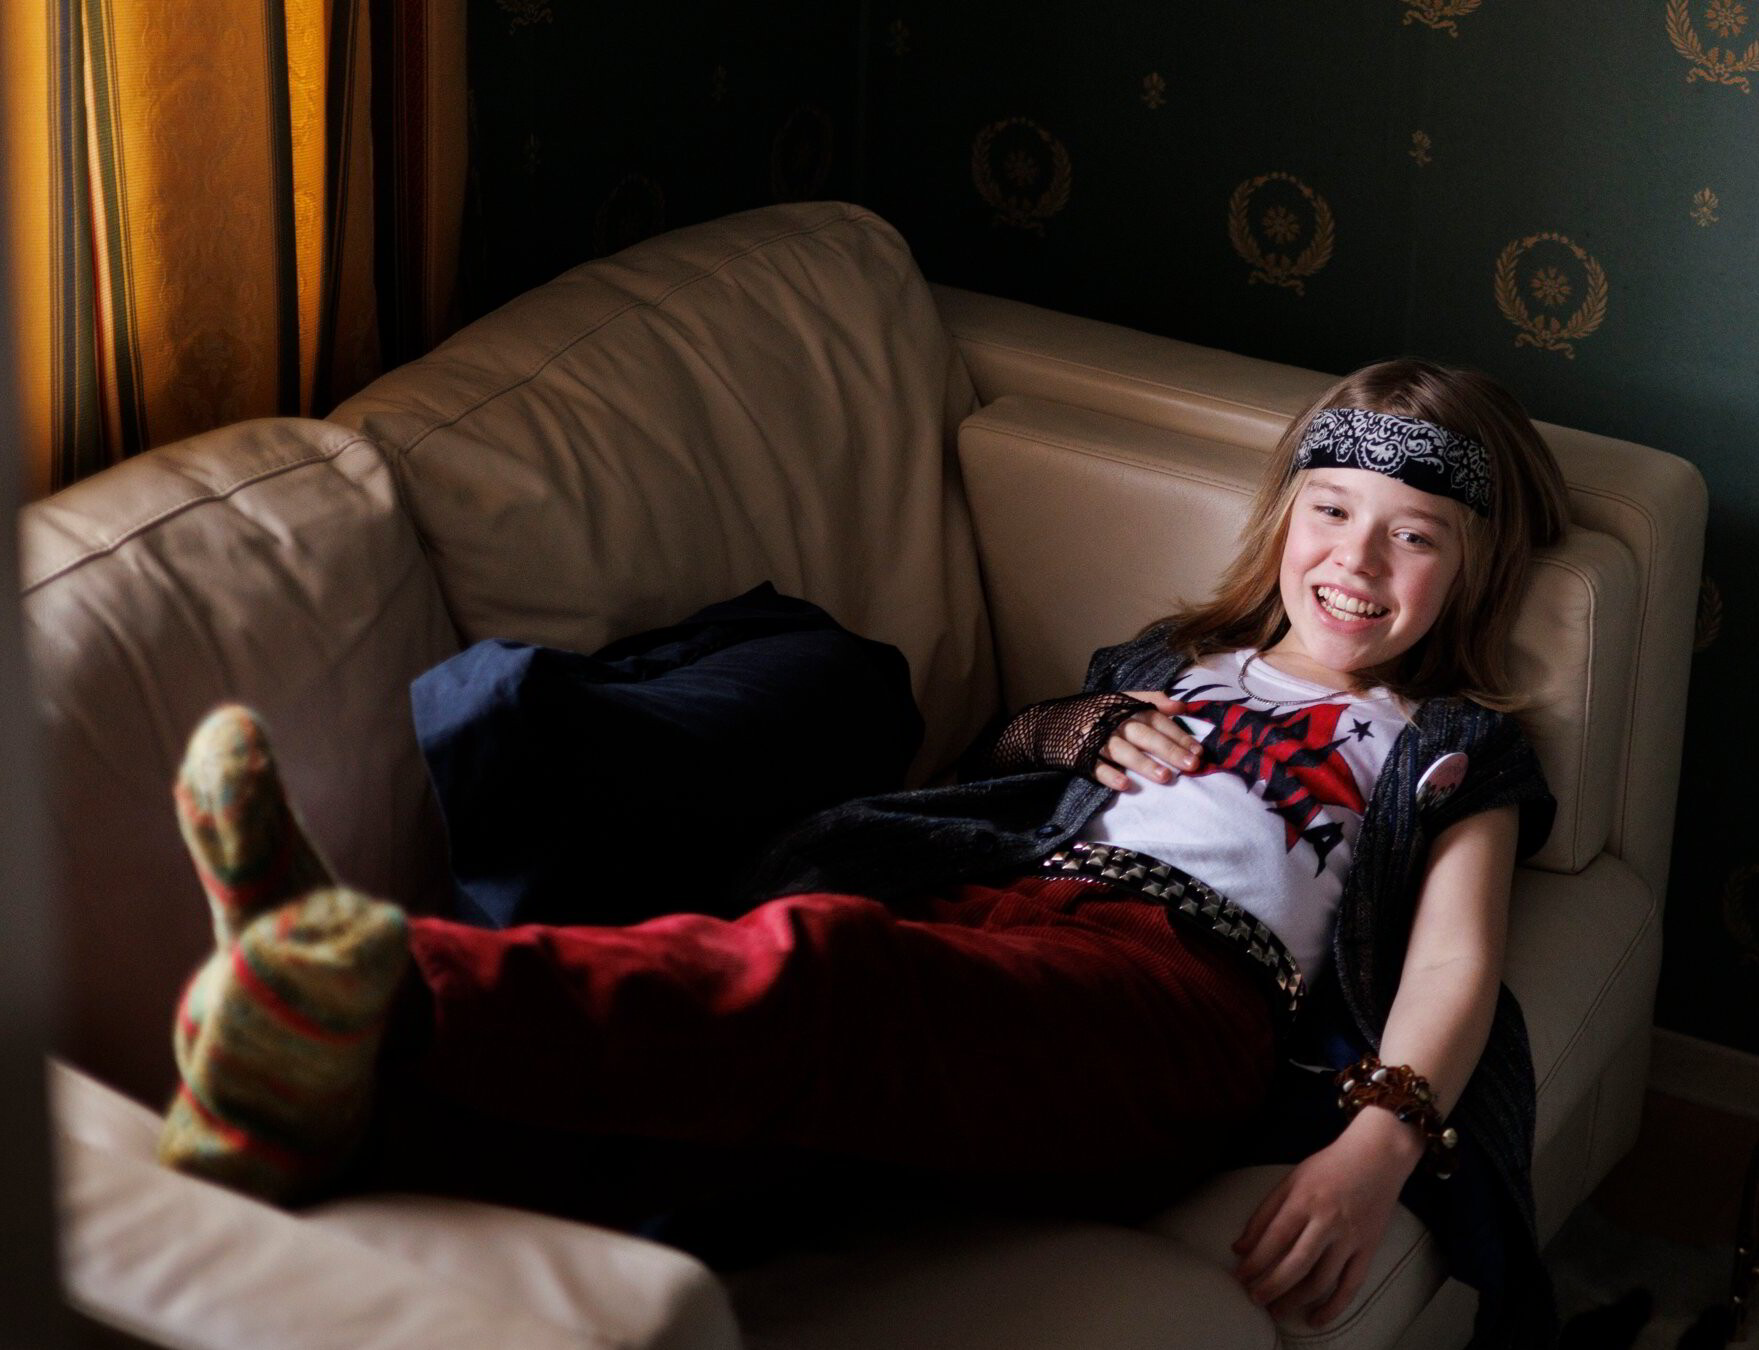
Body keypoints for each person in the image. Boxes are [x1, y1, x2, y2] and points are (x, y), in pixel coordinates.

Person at [157, 356, 1572, 1345]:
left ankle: (369, 980)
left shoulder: (1445, 742)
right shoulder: (1173, 659)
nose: (1357, 562)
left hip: (1178, 994)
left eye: (1415, 536)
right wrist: (1064, 727)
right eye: (1332, 511)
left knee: (827, 971)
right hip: (996, 899)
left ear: (1474, 569)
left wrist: (1376, 1145)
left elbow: (1455, 958)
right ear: (1285, 516)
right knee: (737, 1083)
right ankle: (305, 1099)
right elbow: (1001, 763)